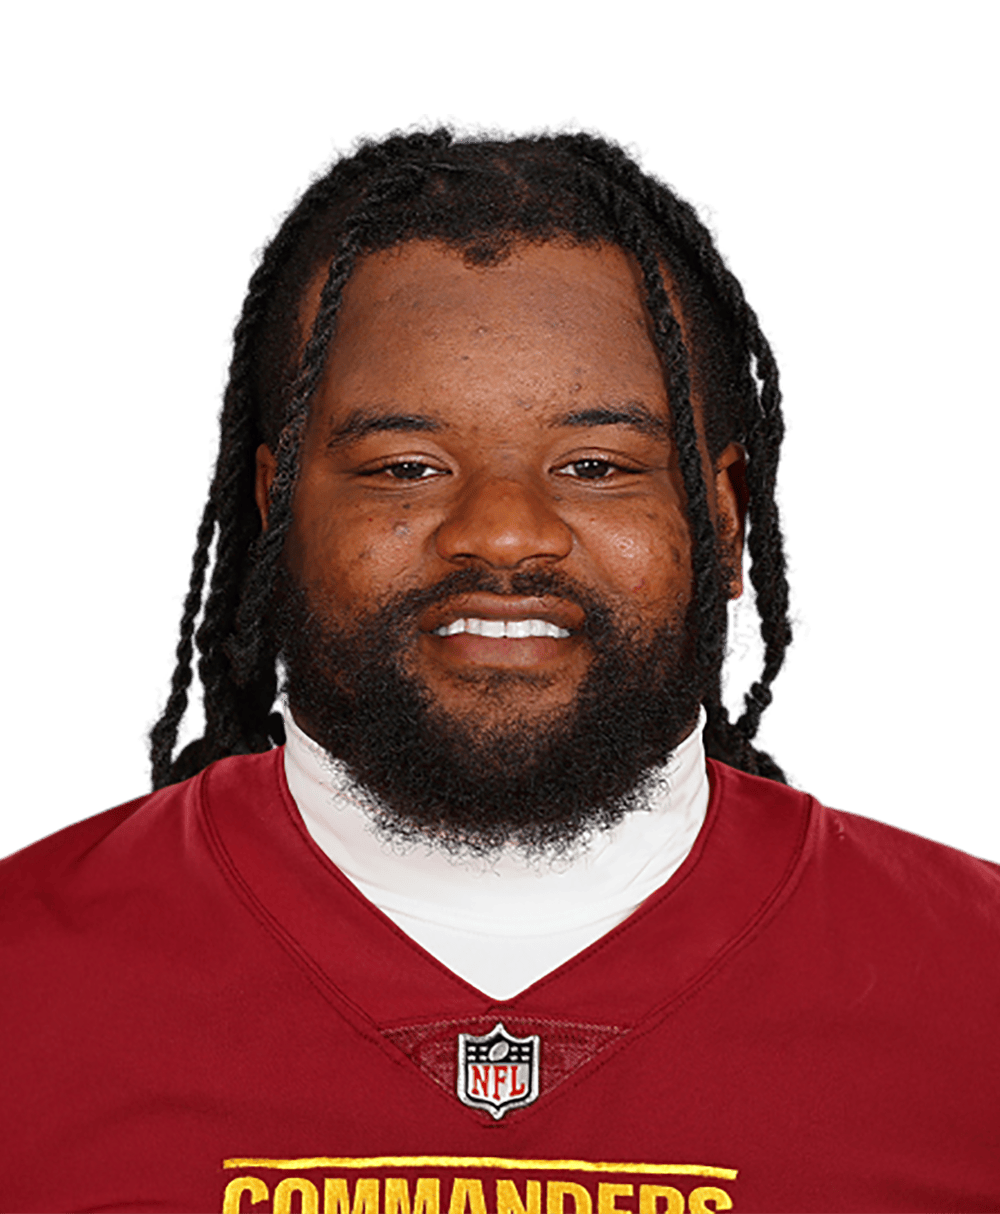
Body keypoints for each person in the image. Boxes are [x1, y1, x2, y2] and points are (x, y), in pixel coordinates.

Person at [2, 117, 997, 1213]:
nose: (504, 532)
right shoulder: (22, 980)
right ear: (276, 508)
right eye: (406, 465)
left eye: (594, 463)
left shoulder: (974, 987)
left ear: (723, 516)